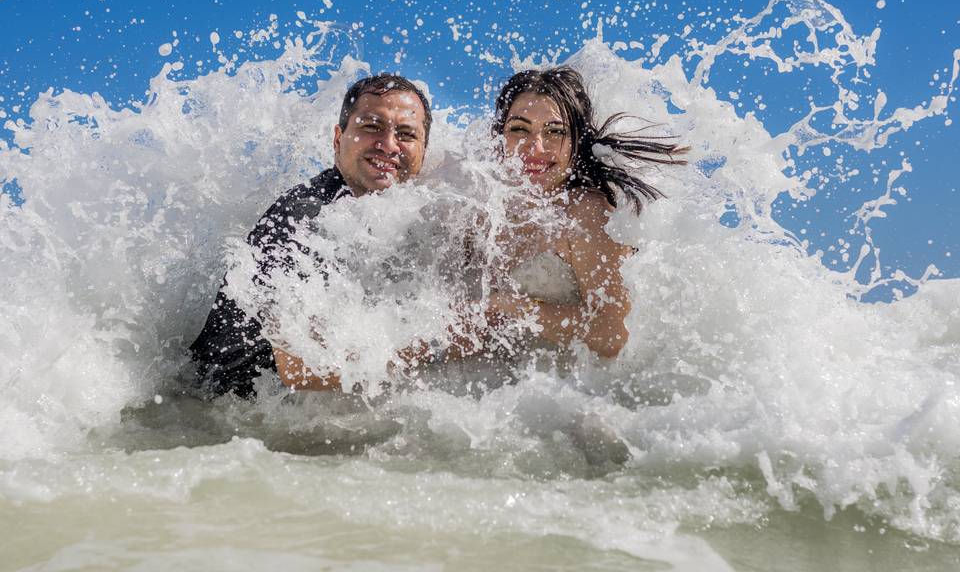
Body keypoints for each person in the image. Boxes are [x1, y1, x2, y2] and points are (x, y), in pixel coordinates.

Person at [190, 73, 432, 397]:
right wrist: (439, 346)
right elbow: (300, 368)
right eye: (371, 127)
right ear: (338, 139)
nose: (389, 145)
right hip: (218, 420)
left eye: (406, 134)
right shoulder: (305, 218)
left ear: (424, 152)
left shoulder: (397, 215)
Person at [478, 66, 685, 360]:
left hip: (578, 389)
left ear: (578, 142)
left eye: (555, 131)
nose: (535, 147)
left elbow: (615, 335)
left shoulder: (586, 210)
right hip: (505, 387)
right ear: (499, 138)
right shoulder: (488, 209)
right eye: (519, 129)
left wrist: (510, 308)